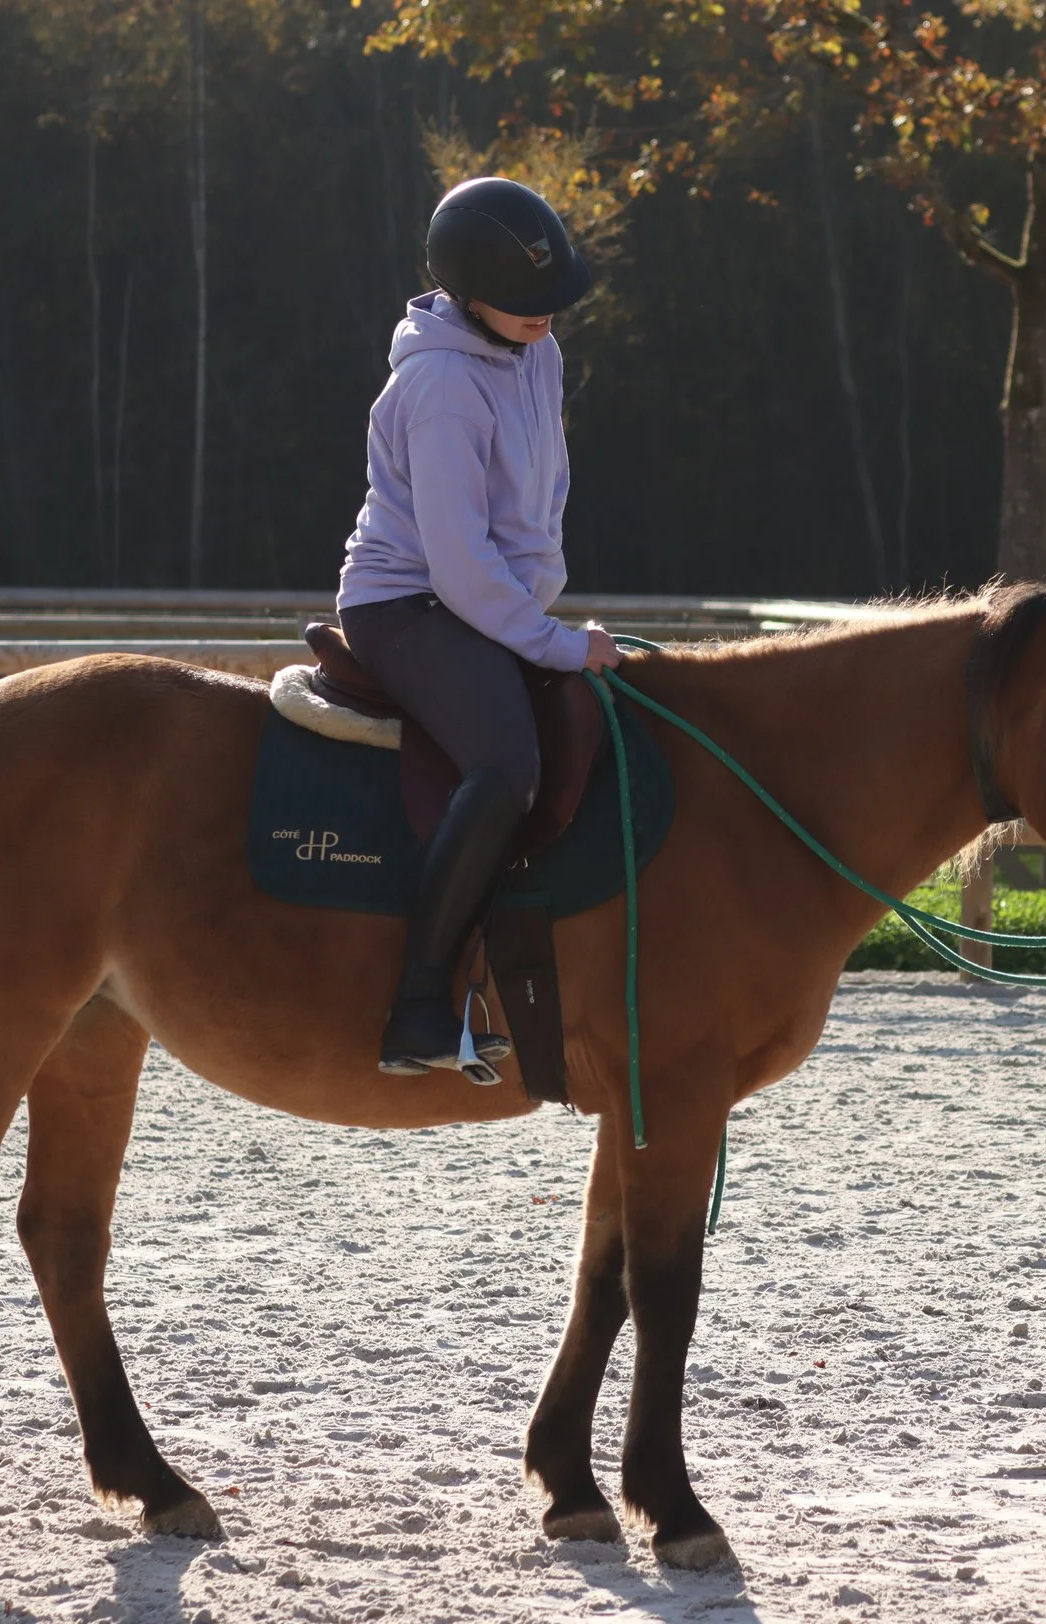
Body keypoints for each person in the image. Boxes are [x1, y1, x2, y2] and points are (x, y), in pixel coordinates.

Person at [336, 176, 625, 1077]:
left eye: (553, 298)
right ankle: (418, 1006)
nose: (546, 315)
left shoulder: (536, 349)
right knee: (505, 766)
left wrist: (537, 609)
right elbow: (458, 563)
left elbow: (539, 505)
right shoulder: (441, 386)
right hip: (407, 602)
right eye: (526, 300)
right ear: (467, 294)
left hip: (488, 600)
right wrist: (559, 644)